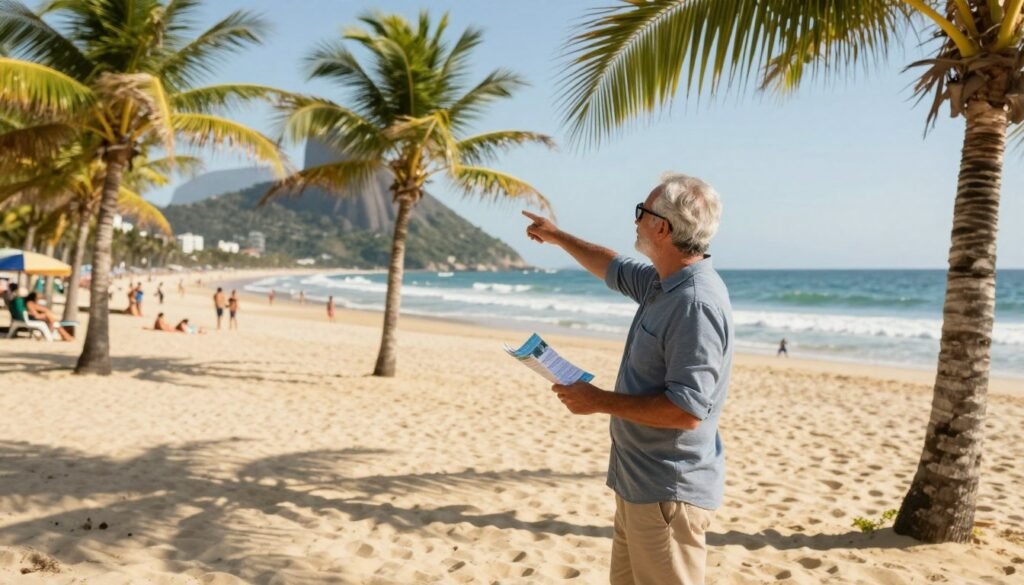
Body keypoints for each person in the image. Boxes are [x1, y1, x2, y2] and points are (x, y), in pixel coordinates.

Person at [523, 173, 732, 585]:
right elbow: (611, 265)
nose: (635, 220)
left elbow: (688, 411)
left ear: (662, 227)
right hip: (638, 486)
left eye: (642, 211)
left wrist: (597, 400)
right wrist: (556, 236)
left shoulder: (695, 303)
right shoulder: (663, 282)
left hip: (667, 495)